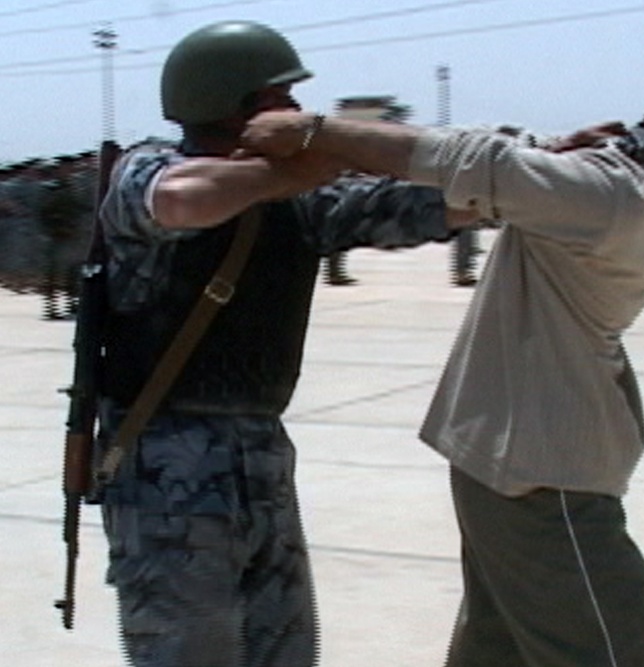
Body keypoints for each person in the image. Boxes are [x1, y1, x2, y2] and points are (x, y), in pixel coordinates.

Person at [242, 52, 644, 667]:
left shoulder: (638, 190)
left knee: (498, 649)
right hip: (543, 476)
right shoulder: (621, 195)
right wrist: (316, 132)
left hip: (518, 463)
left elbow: (518, 171)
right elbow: (474, 162)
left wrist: (552, 147)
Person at [95, 20, 466, 667]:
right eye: (280, 98)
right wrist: (296, 172)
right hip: (166, 466)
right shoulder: (147, 170)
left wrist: (524, 173)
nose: (297, 113)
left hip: (261, 457)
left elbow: (420, 205)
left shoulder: (297, 199)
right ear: (228, 102)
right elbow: (183, 201)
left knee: (286, 652)